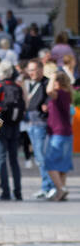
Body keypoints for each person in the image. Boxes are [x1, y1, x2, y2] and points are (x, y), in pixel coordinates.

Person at [23, 58, 56, 199]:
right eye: (29, 70)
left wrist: (46, 105)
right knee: (38, 156)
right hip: (30, 123)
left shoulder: (47, 83)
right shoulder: (29, 83)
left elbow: (51, 98)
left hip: (41, 123)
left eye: (33, 70)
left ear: (41, 70)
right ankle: (45, 186)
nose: (31, 73)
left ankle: (51, 186)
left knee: (42, 156)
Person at [0, 59, 25, 201]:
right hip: (15, 126)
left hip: (1, 127)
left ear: (0, 72)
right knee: (14, 160)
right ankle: (18, 192)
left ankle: (5, 192)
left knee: (1, 160)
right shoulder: (17, 87)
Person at [44, 69, 74, 201]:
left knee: (49, 163)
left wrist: (53, 76)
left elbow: (49, 91)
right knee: (62, 164)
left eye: (53, 81)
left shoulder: (60, 93)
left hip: (58, 133)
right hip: (66, 132)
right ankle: (61, 191)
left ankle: (61, 189)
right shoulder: (67, 93)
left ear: (58, 82)